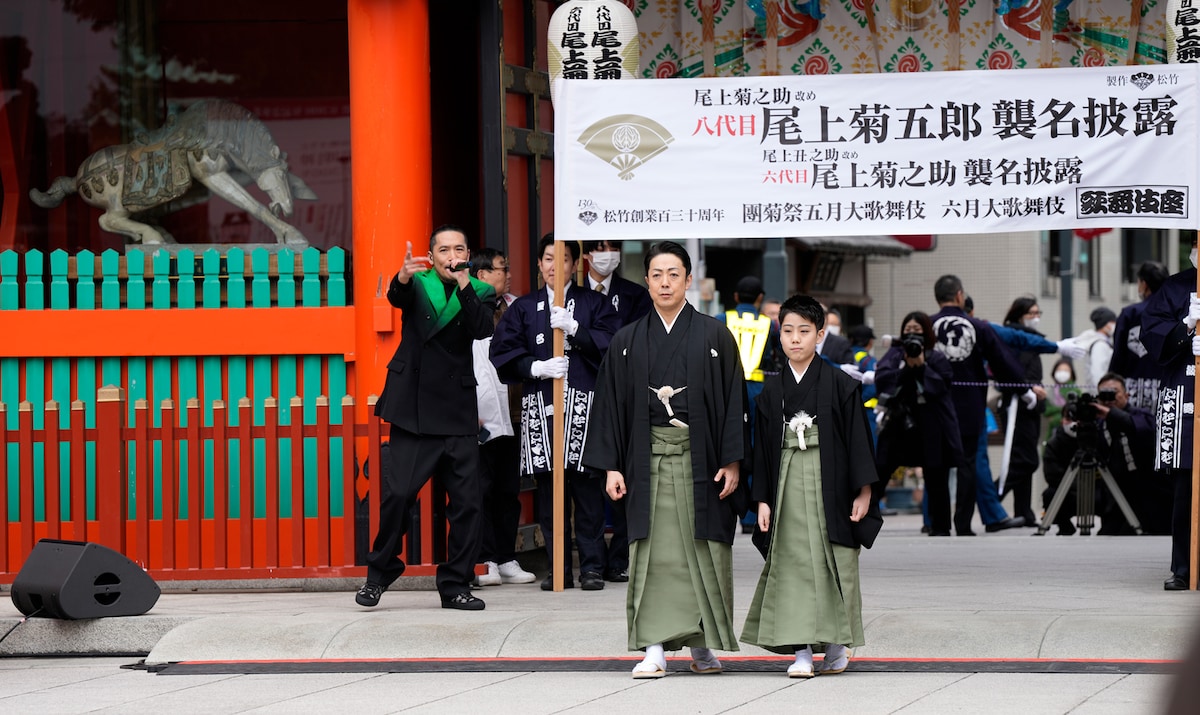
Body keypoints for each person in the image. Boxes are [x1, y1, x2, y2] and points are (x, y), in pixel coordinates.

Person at [585, 240, 747, 679]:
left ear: (688, 280)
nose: (664, 282)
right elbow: (610, 407)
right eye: (656, 274)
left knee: (704, 552)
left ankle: (701, 646)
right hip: (647, 461)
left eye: (673, 274)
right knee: (652, 555)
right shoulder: (627, 340)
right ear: (646, 280)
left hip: (703, 461)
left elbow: (734, 401)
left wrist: (732, 461)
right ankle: (654, 646)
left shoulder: (714, 335)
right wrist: (613, 466)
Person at [356, 225, 498, 611]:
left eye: (459, 249)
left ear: (467, 254)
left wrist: (466, 282)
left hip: (456, 408)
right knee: (398, 494)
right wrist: (402, 276)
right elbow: (397, 296)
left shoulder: (482, 291)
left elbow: (482, 329)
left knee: (468, 503)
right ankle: (380, 572)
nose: (451, 255)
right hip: (414, 408)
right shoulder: (416, 283)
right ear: (431, 255)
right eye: (444, 250)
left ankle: (455, 584)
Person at [741, 294, 882, 677]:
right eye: (787, 331)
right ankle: (801, 650)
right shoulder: (771, 391)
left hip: (831, 483)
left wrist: (864, 490)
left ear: (820, 335)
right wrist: (763, 500)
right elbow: (763, 450)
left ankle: (837, 644)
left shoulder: (840, 383)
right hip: (786, 482)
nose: (795, 339)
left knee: (833, 562)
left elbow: (857, 439)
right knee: (792, 565)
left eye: (804, 331)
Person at [491, 234, 620, 592]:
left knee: (588, 492)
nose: (553, 266)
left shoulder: (595, 304)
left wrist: (578, 331)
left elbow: (616, 344)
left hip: (585, 409)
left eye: (562, 259)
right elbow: (502, 351)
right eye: (547, 258)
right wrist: (535, 368)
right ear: (538, 263)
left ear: (575, 265)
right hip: (542, 407)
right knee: (549, 493)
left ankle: (592, 566)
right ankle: (558, 567)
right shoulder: (524, 308)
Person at [931, 275, 1033, 536]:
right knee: (967, 465)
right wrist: (1024, 389)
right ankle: (963, 525)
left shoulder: (926, 326)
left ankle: (938, 525)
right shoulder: (977, 326)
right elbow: (1002, 361)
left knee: (936, 466)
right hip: (969, 409)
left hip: (933, 409)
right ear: (960, 296)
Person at [583, 239, 651, 584]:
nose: (607, 253)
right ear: (585, 255)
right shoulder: (573, 294)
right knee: (588, 481)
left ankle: (620, 557)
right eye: (599, 247)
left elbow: (632, 342)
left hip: (624, 392)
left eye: (612, 247)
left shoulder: (634, 295)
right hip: (581, 393)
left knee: (625, 477)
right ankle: (590, 560)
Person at [469, 248, 536, 587]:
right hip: (477, 414)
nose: (507, 274)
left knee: (508, 489)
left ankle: (507, 557)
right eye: (500, 269)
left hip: (511, 408)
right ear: (480, 275)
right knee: (480, 489)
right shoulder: (464, 305)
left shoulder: (514, 307)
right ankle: (484, 558)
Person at [1139, 246, 1198, 590]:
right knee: (1187, 487)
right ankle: (1184, 567)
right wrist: (1186, 327)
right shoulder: (1175, 288)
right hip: (1188, 393)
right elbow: (1153, 335)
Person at [874, 312, 963, 537]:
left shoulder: (937, 357)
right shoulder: (894, 354)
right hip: (899, 422)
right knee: (880, 469)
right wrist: (907, 367)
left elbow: (942, 387)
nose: (912, 334)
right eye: (908, 330)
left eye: (917, 330)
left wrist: (922, 366)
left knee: (936, 475)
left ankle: (941, 526)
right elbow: (883, 381)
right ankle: (859, 519)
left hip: (931, 425)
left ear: (927, 332)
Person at [718, 275, 780, 533]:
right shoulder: (770, 325)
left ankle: (735, 506)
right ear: (759, 299)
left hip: (729, 390)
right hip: (758, 390)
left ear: (734, 297)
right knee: (757, 448)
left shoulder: (722, 320)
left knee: (732, 446)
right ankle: (753, 515)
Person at [995, 296, 1048, 527]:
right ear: (1019, 315)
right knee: (1025, 460)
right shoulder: (1011, 339)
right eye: (1031, 313)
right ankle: (992, 499)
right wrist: (1027, 387)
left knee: (1023, 457)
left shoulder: (1032, 340)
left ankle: (1024, 512)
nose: (1035, 318)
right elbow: (1005, 372)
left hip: (1031, 406)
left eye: (1038, 313)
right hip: (1017, 405)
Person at [1092, 373, 1160, 535]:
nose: (1109, 397)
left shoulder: (1141, 414)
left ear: (1127, 395)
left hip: (1146, 497)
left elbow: (1144, 430)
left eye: (1113, 392)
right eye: (1104, 393)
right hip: (1112, 499)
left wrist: (1111, 414)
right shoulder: (1097, 423)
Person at [1110, 261, 1170, 412]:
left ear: (1144, 284)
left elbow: (1118, 355)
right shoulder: (1175, 313)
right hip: (1167, 391)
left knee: (1133, 431)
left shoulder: (1130, 313)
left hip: (1132, 390)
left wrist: (1112, 382)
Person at [1073, 307, 1116, 392]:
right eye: (1112, 322)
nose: (1115, 325)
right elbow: (1098, 372)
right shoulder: (1099, 345)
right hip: (1101, 394)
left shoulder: (1103, 343)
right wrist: (1102, 392)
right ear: (1104, 324)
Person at [1044, 357, 1082, 440]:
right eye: (1059, 370)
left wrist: (1055, 418)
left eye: (1065, 370)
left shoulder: (1075, 391)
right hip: (1053, 431)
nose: (1062, 373)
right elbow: (1046, 411)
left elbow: (1074, 409)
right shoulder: (1050, 391)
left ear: (1072, 373)